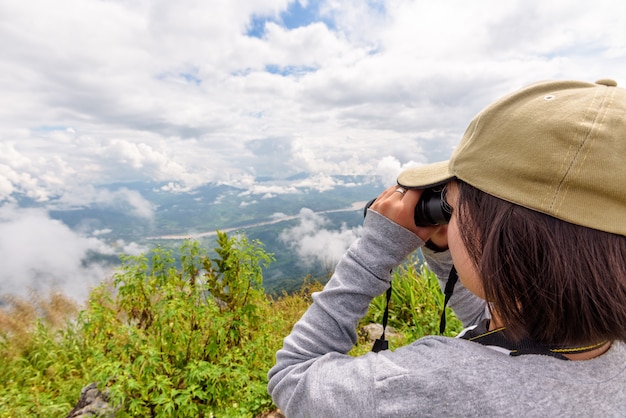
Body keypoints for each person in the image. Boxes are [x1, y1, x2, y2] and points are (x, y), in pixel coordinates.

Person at [267, 79, 626, 417]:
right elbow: (504, 333)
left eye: (453, 204)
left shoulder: (434, 383)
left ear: (497, 237)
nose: (448, 218)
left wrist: (375, 250)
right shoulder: (607, 347)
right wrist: (444, 255)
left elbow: (294, 376)